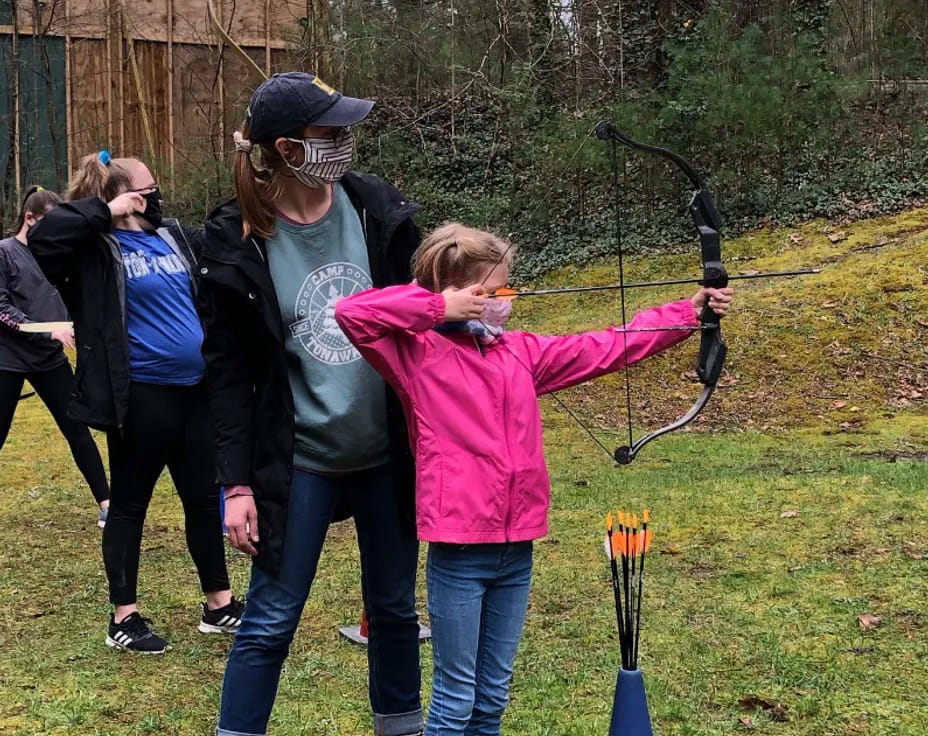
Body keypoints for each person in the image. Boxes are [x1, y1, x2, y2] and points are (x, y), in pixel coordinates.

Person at [334, 222, 735, 736]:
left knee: (492, 698)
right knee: (455, 701)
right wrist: (437, 308)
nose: (507, 299)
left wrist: (688, 314)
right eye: (496, 290)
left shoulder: (517, 351)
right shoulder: (416, 355)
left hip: (517, 545)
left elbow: (606, 345)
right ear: (460, 293)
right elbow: (352, 313)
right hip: (459, 547)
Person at [198, 72, 423, 736]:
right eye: (331, 133)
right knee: (270, 619)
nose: (345, 143)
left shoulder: (375, 209)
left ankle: (401, 727)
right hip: (296, 458)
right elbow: (229, 374)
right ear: (288, 149)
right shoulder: (234, 238)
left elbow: (423, 314)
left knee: (395, 610)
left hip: (384, 450)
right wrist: (236, 483)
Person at [28, 153, 243, 655]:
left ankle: (219, 603)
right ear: (120, 195)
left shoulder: (171, 236)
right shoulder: (92, 249)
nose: (155, 196)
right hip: (140, 394)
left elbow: (226, 236)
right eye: (145, 189)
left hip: (195, 390)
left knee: (200, 496)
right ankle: (123, 618)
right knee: (129, 504)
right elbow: (44, 238)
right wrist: (103, 210)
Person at [0, 186, 110, 526]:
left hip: (50, 359)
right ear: (29, 219)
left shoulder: (62, 254)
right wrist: (49, 331)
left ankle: (108, 503)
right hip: (8, 358)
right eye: (47, 223)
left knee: (77, 429)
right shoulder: (5, 252)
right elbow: (1, 308)